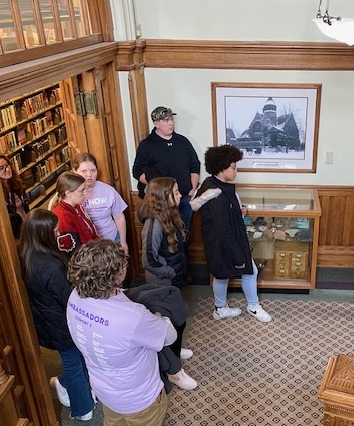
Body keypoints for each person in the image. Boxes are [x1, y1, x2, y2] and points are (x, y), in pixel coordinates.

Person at [66, 239, 177, 426]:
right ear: (116, 275)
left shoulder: (74, 297)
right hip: (141, 397)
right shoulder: (133, 316)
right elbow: (168, 336)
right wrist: (160, 317)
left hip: (104, 389)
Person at [18, 208, 95, 421]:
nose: (59, 233)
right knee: (73, 360)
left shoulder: (23, 254)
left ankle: (64, 383)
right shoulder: (50, 264)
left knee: (74, 358)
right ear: (44, 233)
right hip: (61, 321)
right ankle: (82, 409)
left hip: (45, 320)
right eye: (55, 230)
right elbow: (68, 297)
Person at [190, 144, 272, 323]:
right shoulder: (216, 193)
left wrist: (239, 209)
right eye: (233, 167)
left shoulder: (214, 184)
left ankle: (221, 309)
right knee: (248, 272)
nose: (236, 170)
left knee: (222, 274)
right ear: (221, 168)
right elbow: (223, 229)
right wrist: (238, 257)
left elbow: (227, 212)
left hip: (221, 242)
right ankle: (252, 306)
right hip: (226, 242)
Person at [137, 176, 196, 390]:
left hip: (173, 279)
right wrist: (171, 271)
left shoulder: (171, 215)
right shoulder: (153, 225)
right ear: (164, 197)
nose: (180, 195)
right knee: (170, 324)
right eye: (176, 192)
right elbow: (148, 260)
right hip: (162, 282)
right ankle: (173, 371)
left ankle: (175, 353)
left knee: (177, 319)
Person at [132, 106, 201, 235]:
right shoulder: (147, 145)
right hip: (161, 204)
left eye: (171, 119)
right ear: (156, 123)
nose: (171, 123)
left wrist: (192, 190)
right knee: (165, 239)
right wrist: (158, 189)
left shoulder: (183, 141)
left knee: (184, 236)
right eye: (166, 120)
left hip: (185, 199)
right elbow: (137, 171)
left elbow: (195, 165)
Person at [73, 152, 129, 254]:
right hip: (87, 246)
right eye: (84, 171)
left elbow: (119, 217)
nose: (89, 175)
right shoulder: (71, 194)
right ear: (75, 171)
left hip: (111, 240)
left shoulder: (108, 190)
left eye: (93, 170)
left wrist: (123, 241)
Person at [51, 171, 99, 256]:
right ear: (68, 193)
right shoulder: (63, 218)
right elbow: (73, 253)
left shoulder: (77, 205)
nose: (85, 193)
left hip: (94, 253)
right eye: (81, 190)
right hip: (86, 261)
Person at [0, 154, 29, 238]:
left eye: (7, 165)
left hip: (27, 225)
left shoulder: (15, 183)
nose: (7, 169)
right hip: (16, 233)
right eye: (1, 168)